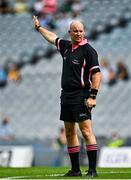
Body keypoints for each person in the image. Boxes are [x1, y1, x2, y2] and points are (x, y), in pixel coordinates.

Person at [33, 16, 101, 177]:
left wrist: (92, 96)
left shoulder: (89, 51)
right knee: (69, 132)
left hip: (82, 94)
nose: (78, 34)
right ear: (70, 32)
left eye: (81, 31)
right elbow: (52, 38)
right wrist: (39, 28)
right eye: (75, 31)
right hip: (66, 95)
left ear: (84, 32)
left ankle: (92, 170)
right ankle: (76, 170)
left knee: (86, 131)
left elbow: (97, 75)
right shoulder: (66, 47)